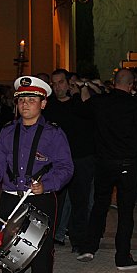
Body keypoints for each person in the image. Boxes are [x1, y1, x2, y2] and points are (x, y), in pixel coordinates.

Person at [0, 75, 73, 273]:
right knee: (9, 256)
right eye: (22, 99)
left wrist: (48, 184)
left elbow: (66, 168)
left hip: (41, 200)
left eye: (32, 99)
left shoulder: (54, 134)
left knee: (42, 256)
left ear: (43, 103)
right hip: (11, 199)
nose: (26, 104)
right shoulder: (7, 133)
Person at [75, 68, 137, 270]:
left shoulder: (101, 102)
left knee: (99, 206)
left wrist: (86, 87)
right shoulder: (135, 105)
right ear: (131, 85)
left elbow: (83, 107)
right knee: (125, 212)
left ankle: (89, 247)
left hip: (103, 163)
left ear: (114, 82)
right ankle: (122, 256)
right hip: (126, 164)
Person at [43, 69, 96, 252]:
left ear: (69, 83)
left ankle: (79, 241)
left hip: (81, 159)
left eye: (60, 82)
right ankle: (49, 238)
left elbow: (89, 115)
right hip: (57, 162)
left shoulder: (77, 103)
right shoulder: (49, 107)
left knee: (80, 202)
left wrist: (77, 94)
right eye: (54, 83)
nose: (57, 87)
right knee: (52, 201)